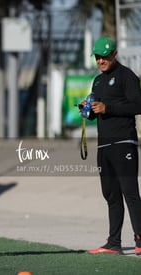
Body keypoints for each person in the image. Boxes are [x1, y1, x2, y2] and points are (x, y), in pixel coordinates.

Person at [80, 37, 141, 255]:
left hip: (124, 142)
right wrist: (88, 110)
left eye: (104, 56)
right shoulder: (97, 81)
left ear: (114, 54)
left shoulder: (127, 76)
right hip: (103, 145)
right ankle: (114, 242)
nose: (100, 61)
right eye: (97, 57)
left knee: (130, 192)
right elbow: (99, 111)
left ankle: (140, 239)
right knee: (110, 194)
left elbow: (138, 105)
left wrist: (108, 108)